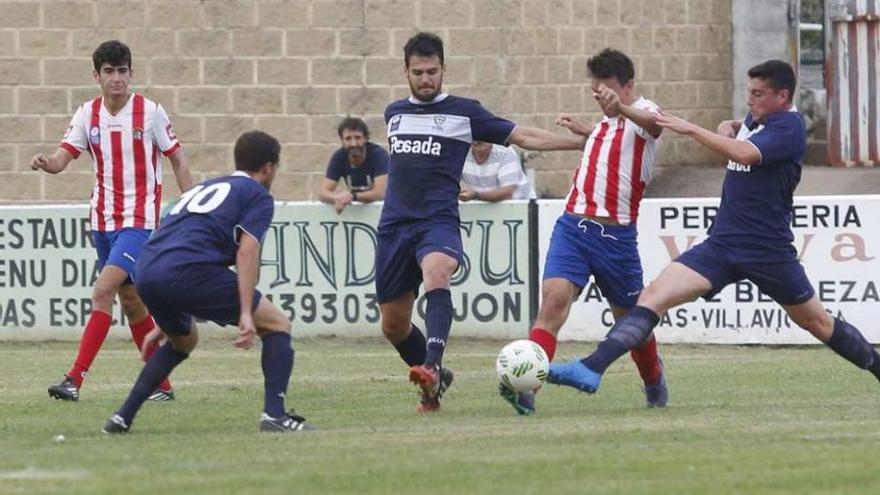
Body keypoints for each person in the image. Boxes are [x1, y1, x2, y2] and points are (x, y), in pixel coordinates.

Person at [547, 60, 880, 399]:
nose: (750, 100)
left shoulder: (790, 126)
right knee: (652, 297)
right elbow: (741, 133)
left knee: (817, 323)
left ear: (783, 96)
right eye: (749, 92)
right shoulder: (758, 118)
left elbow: (745, 153)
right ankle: (591, 368)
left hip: (767, 249)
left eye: (758, 94)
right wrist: (730, 125)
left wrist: (690, 128)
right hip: (722, 244)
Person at [379, 32, 587, 413]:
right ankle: (435, 385)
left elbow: (522, 135)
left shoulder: (465, 112)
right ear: (405, 72)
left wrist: (578, 143)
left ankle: (433, 365)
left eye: (432, 71)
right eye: (418, 72)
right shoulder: (393, 113)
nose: (426, 79)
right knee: (393, 326)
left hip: (436, 221)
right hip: (393, 226)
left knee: (437, 273)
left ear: (444, 69)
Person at [103, 130, 314, 434]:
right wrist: (245, 313)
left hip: (148, 270)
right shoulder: (257, 195)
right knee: (277, 324)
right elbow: (248, 250)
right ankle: (275, 416)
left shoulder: (205, 187)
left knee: (184, 339)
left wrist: (163, 321)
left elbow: (175, 241)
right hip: (187, 269)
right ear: (268, 168)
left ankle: (121, 417)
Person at [498, 48, 668, 416]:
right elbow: (610, 139)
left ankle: (654, 378)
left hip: (615, 238)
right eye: (597, 92)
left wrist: (618, 109)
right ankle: (529, 387)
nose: (602, 98)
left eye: (608, 91)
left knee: (631, 321)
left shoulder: (645, 113)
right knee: (553, 302)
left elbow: (653, 126)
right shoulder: (606, 126)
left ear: (628, 87)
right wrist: (587, 131)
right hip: (573, 226)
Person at [31, 40, 193, 402]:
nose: (116, 78)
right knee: (132, 302)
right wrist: (46, 163)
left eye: (122, 71)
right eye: (109, 71)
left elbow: (178, 159)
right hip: (102, 221)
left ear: (131, 74)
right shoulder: (88, 114)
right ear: (96, 75)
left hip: (139, 221)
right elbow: (62, 159)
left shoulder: (150, 113)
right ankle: (161, 386)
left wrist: (190, 205)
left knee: (103, 291)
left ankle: (74, 378)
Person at [318, 117, 389, 213]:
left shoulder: (379, 155)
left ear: (365, 139)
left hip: (384, 211)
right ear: (342, 141)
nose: (353, 143)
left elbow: (381, 193)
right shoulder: (339, 156)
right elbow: (322, 193)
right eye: (348, 139)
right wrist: (338, 197)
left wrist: (352, 196)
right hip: (358, 214)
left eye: (357, 137)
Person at [459, 141, 534, 202]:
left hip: (522, 207)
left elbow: (507, 194)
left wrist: (476, 195)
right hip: (484, 208)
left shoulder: (505, 153)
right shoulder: (460, 153)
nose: (478, 139)